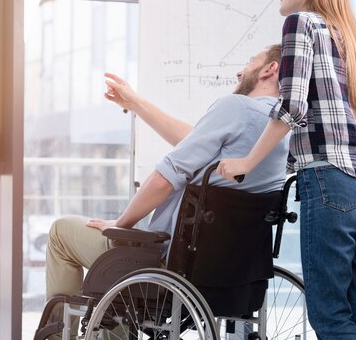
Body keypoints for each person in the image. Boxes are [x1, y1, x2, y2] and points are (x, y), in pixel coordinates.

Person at [216, 0, 356, 340]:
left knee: (330, 316)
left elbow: (292, 106)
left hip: (333, 183)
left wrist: (246, 161)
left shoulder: (302, 23)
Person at [45, 44, 289, 309]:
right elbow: (193, 139)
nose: (240, 72)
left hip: (169, 262)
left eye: (251, 62)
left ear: (270, 69)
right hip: (231, 272)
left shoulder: (236, 106)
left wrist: (121, 224)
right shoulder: (281, 129)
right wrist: (136, 103)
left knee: (61, 231)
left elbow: (164, 179)